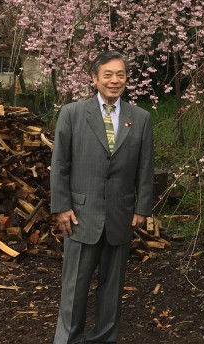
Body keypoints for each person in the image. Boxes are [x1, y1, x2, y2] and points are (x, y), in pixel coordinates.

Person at [50, 50, 154, 344]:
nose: (114, 80)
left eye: (120, 74)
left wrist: (142, 207)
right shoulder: (72, 113)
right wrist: (61, 207)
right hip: (80, 217)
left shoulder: (141, 118)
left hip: (120, 216)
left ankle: (104, 338)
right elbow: (60, 164)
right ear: (94, 78)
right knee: (74, 288)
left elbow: (146, 166)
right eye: (107, 74)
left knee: (112, 289)